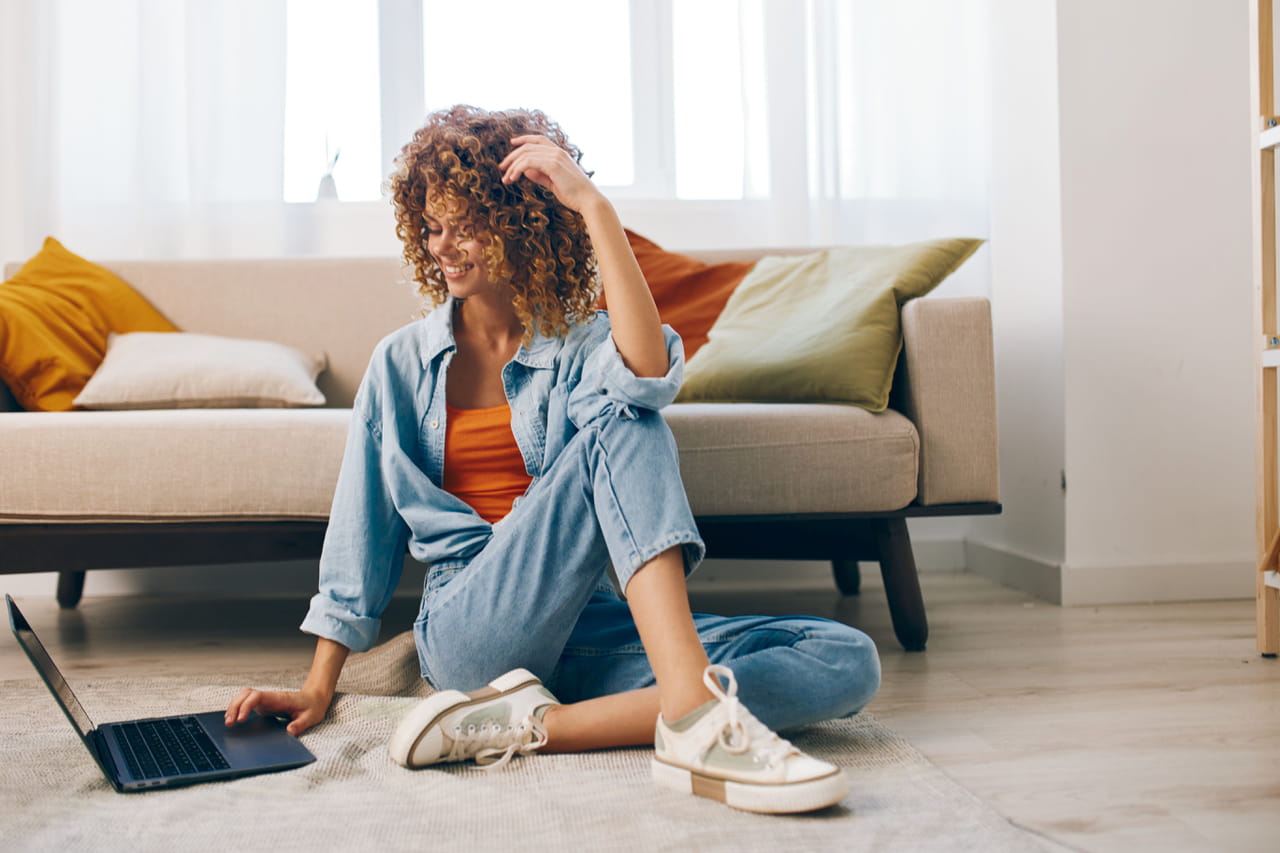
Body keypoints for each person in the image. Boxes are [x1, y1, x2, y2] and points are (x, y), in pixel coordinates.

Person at [225, 105, 881, 814]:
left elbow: (647, 366)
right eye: (432, 225)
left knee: (843, 656)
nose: (443, 246)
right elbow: (361, 536)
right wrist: (320, 683)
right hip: (471, 629)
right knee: (621, 416)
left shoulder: (575, 342)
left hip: (587, 624)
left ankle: (539, 722)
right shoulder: (400, 364)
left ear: (517, 224)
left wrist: (594, 205)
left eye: (466, 225)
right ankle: (693, 713)